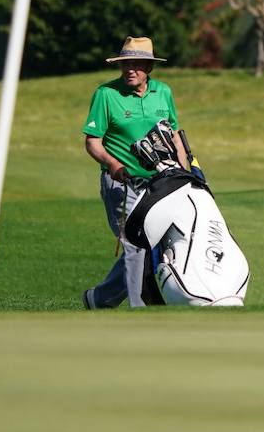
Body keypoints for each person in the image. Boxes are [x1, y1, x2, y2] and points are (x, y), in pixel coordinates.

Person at [80, 36, 191, 309]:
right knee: (136, 243)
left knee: (157, 241)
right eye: (126, 64)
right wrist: (112, 163)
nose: (130, 69)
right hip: (123, 183)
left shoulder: (163, 92)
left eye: (137, 64)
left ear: (149, 68)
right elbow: (92, 141)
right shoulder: (106, 94)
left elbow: (174, 135)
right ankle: (138, 307)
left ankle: (99, 299)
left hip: (161, 182)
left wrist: (185, 174)